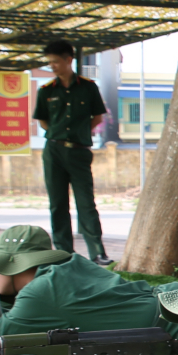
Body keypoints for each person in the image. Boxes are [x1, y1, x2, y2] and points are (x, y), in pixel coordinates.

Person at [0, 223, 166, 343]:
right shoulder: (66, 268)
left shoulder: (41, 291)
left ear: (15, 265)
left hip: (174, 322)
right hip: (169, 307)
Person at [33, 39, 109, 264]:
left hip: (79, 151)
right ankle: (63, 253)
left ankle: (97, 251)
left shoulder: (88, 87)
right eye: (50, 63)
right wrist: (60, 135)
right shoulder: (46, 91)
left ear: (69, 60)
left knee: (86, 202)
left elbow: (97, 117)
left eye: (56, 61)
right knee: (58, 203)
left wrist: (78, 134)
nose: (53, 66)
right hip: (53, 150)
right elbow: (43, 121)